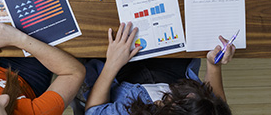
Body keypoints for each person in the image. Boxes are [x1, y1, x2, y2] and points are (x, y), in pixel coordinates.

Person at [82, 22, 234, 114]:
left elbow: (94, 111)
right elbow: (216, 101)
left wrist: (111, 64)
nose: (192, 95)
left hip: (121, 76)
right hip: (175, 74)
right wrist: (214, 64)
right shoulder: (208, 107)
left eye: (185, 102)